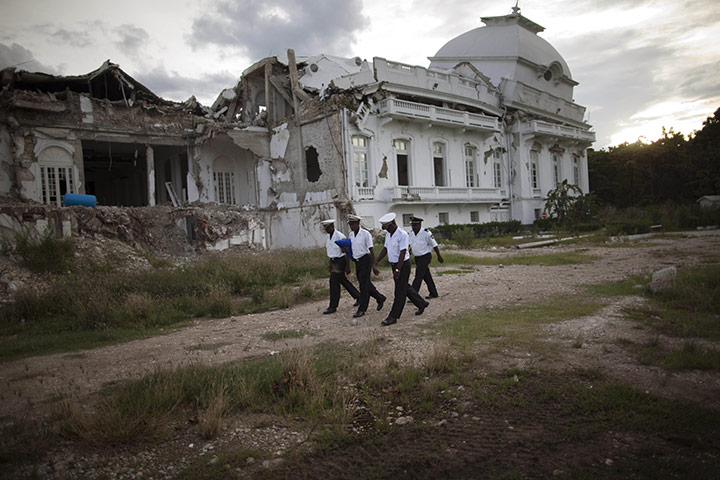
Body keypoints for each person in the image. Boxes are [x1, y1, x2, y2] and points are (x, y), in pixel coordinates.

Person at [374, 212, 429, 326]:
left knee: (399, 292)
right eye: (385, 228)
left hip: (402, 265)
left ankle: (393, 316)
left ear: (393, 223)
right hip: (394, 265)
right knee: (405, 287)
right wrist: (377, 261)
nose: (386, 230)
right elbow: (385, 248)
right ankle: (421, 303)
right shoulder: (389, 234)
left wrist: (398, 270)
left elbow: (403, 252)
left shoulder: (402, 234)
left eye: (387, 227)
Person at [347, 214, 386, 319]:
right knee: (365, 283)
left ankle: (362, 309)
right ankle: (380, 297)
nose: (351, 226)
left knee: (363, 286)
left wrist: (374, 265)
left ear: (358, 224)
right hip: (357, 261)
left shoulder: (365, 234)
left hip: (366, 260)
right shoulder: (351, 235)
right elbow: (351, 249)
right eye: (350, 224)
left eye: (353, 224)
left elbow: (371, 250)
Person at [321, 219, 360, 314]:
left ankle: (333, 306)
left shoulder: (339, 236)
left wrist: (348, 266)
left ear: (332, 226)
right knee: (343, 281)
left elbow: (346, 251)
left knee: (333, 283)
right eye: (325, 228)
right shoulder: (327, 237)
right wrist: (330, 264)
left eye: (328, 227)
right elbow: (330, 252)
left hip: (340, 261)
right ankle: (359, 297)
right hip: (333, 261)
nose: (326, 230)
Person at [408, 216, 444, 299]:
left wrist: (439, 256)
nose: (413, 227)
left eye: (415, 225)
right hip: (417, 258)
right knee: (426, 276)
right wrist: (408, 255)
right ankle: (433, 293)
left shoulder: (426, 233)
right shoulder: (411, 234)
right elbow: (410, 246)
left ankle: (414, 296)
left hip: (425, 257)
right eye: (412, 225)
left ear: (420, 225)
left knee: (418, 275)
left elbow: (434, 245)